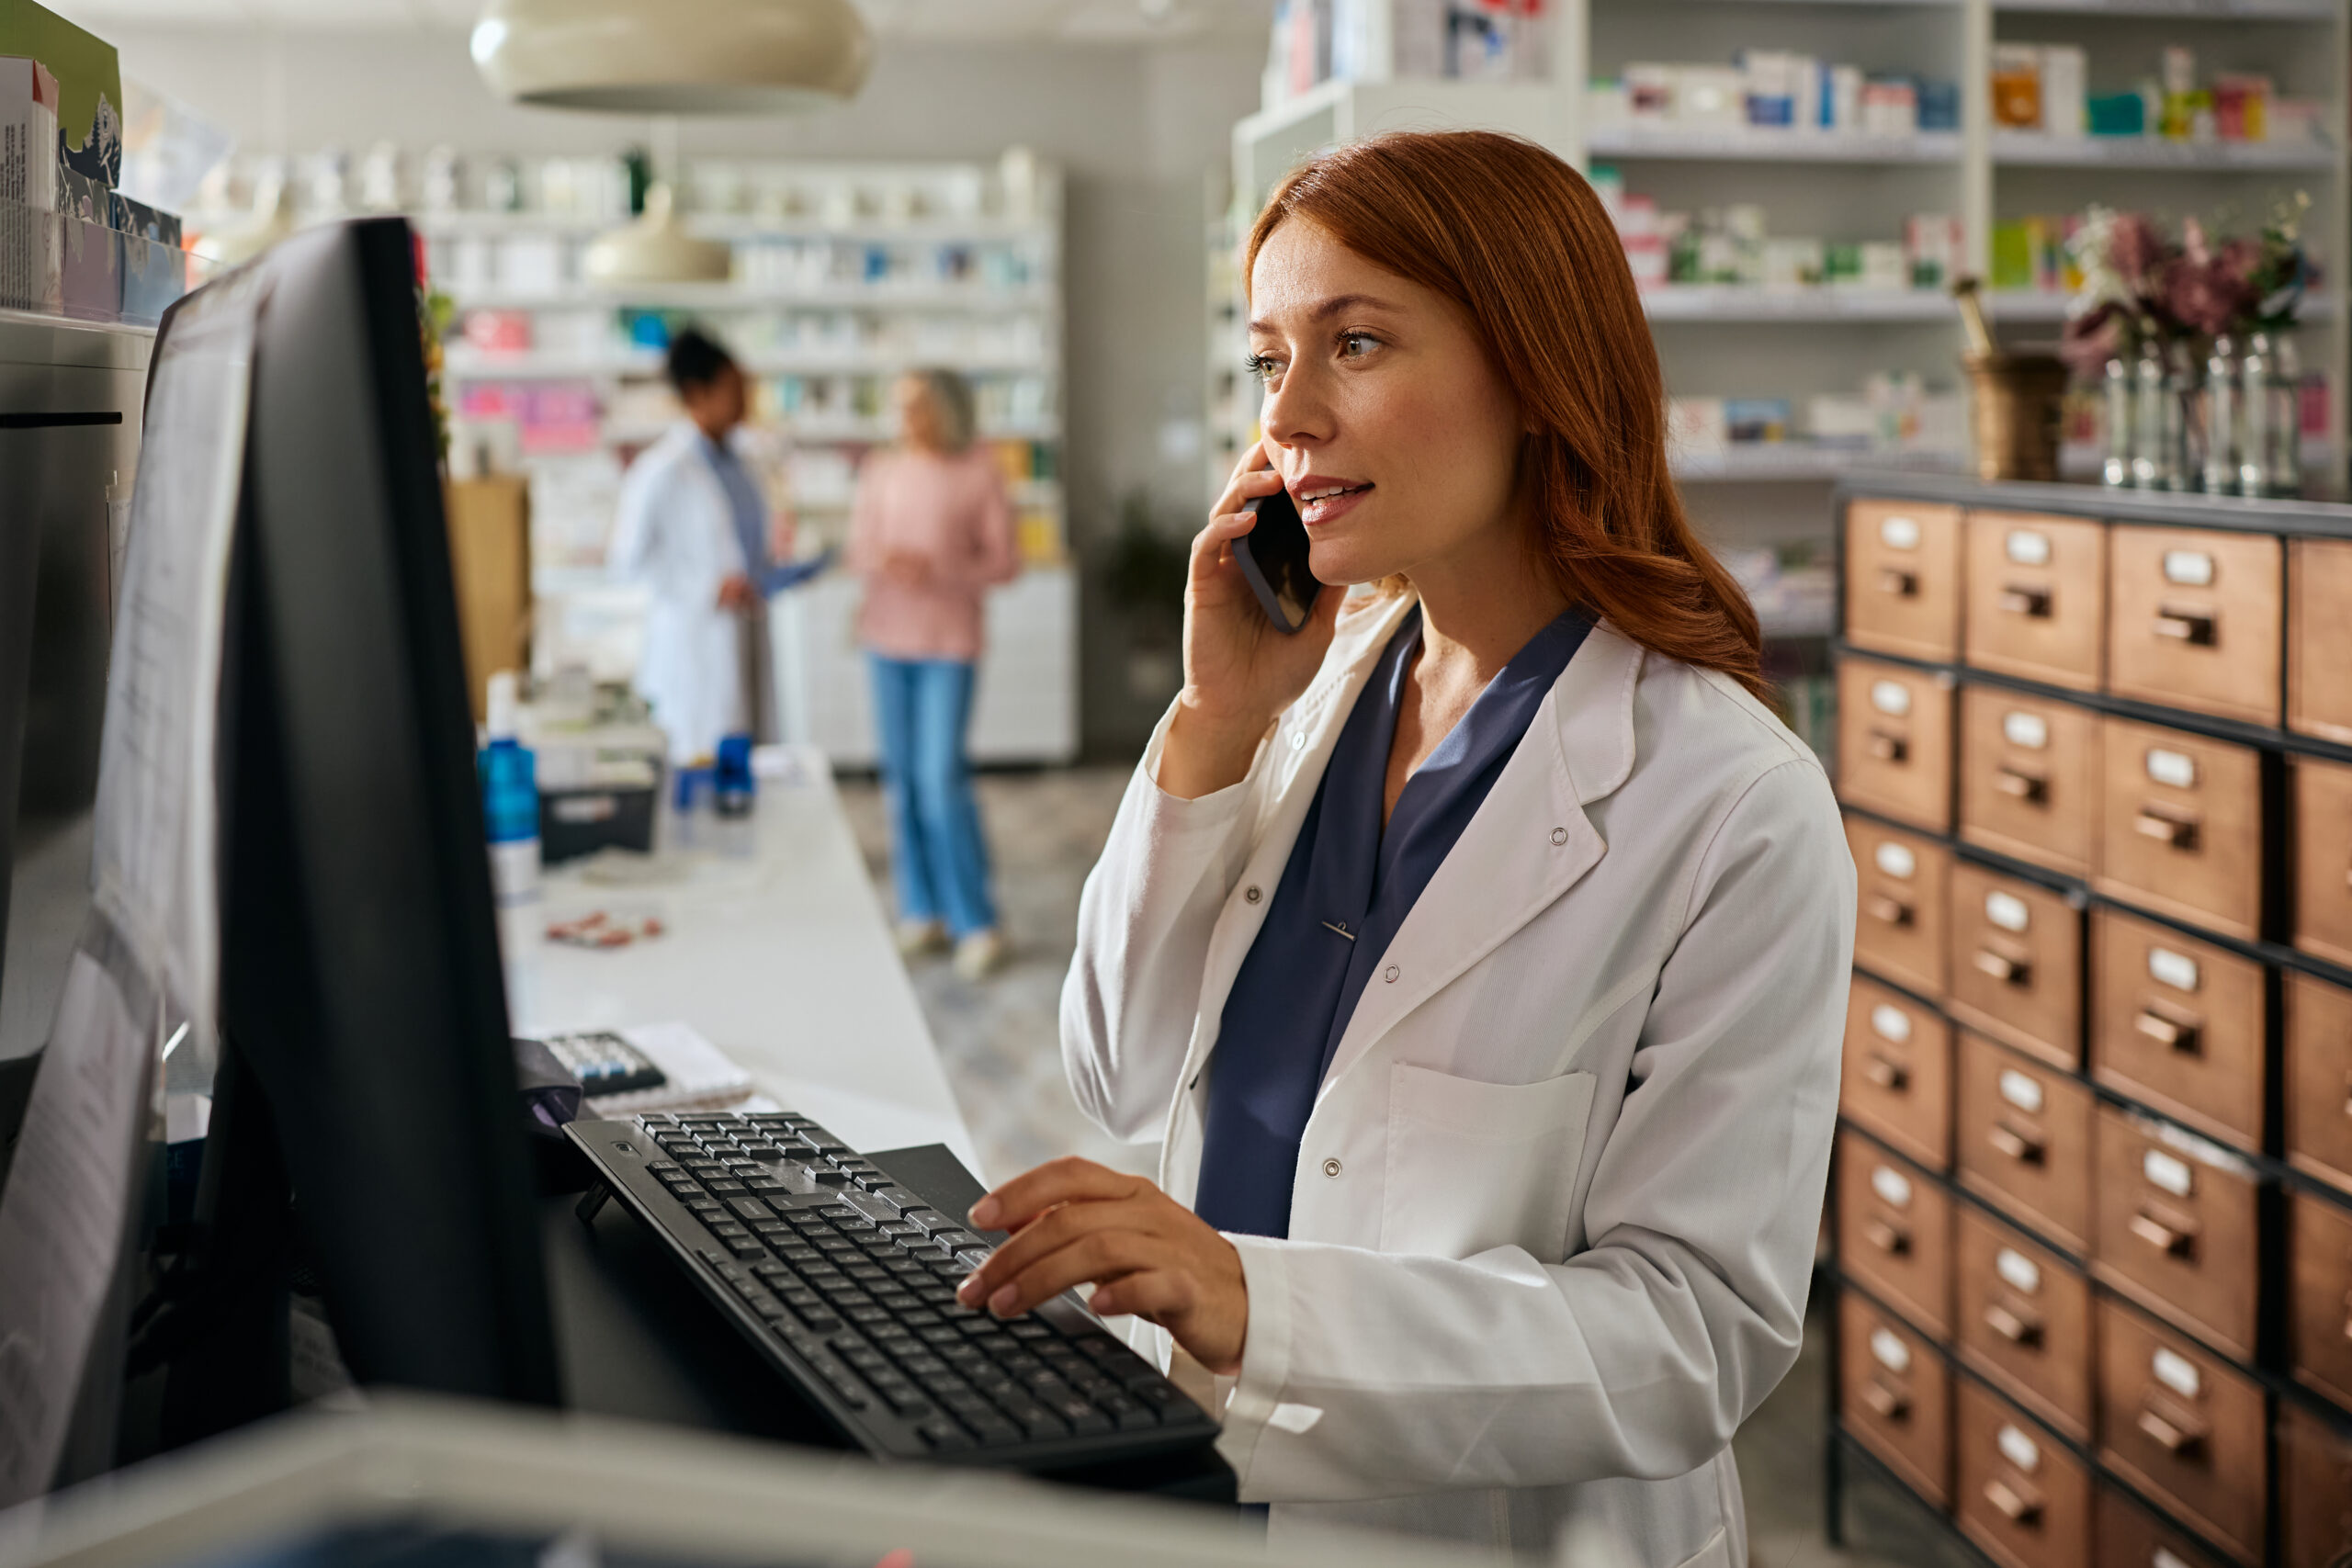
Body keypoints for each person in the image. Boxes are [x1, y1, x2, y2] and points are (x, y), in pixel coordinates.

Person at [952, 132, 1854, 1563]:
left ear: (1538, 371)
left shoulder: (1732, 803)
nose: (1287, 417)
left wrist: (1256, 1302)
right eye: (1267, 360)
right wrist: (1212, 721)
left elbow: (1692, 1337)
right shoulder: (1312, 696)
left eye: (1354, 343)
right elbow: (1117, 1068)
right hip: (1215, 1492)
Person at [846, 368, 1020, 981]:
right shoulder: (882, 470)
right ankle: (921, 911)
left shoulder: (979, 470)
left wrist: (942, 569)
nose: (905, 417)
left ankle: (977, 921)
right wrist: (884, 560)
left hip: (948, 643)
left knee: (939, 778)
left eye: (916, 405)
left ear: (946, 409)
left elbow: (1004, 562)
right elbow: (859, 548)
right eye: (899, 405)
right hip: (884, 640)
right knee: (901, 782)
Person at [608, 328, 812, 765]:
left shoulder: (747, 461)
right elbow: (627, 563)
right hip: (694, 645)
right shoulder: (661, 471)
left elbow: (744, 547)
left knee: (749, 759)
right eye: (734, 388)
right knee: (699, 764)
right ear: (697, 393)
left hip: (746, 627)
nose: (745, 398)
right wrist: (706, 588)